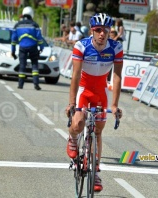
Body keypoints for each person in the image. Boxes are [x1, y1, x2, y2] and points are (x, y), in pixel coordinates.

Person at [65, 13, 123, 192]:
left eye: (106, 30)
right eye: (98, 30)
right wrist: (72, 102)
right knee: (78, 122)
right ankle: (73, 138)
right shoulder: (81, 46)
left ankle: (96, 172)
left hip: (101, 92)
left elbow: (117, 76)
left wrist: (114, 105)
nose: (102, 34)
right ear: (92, 30)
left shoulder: (116, 47)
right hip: (84, 90)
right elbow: (75, 75)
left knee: (98, 130)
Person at [11, 6, 44, 90]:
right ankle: (36, 84)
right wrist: (41, 47)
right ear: (31, 14)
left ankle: (20, 85)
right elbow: (39, 38)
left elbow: (13, 40)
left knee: (22, 65)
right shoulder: (35, 25)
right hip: (33, 47)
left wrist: (13, 51)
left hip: (22, 47)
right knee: (34, 65)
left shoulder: (17, 25)